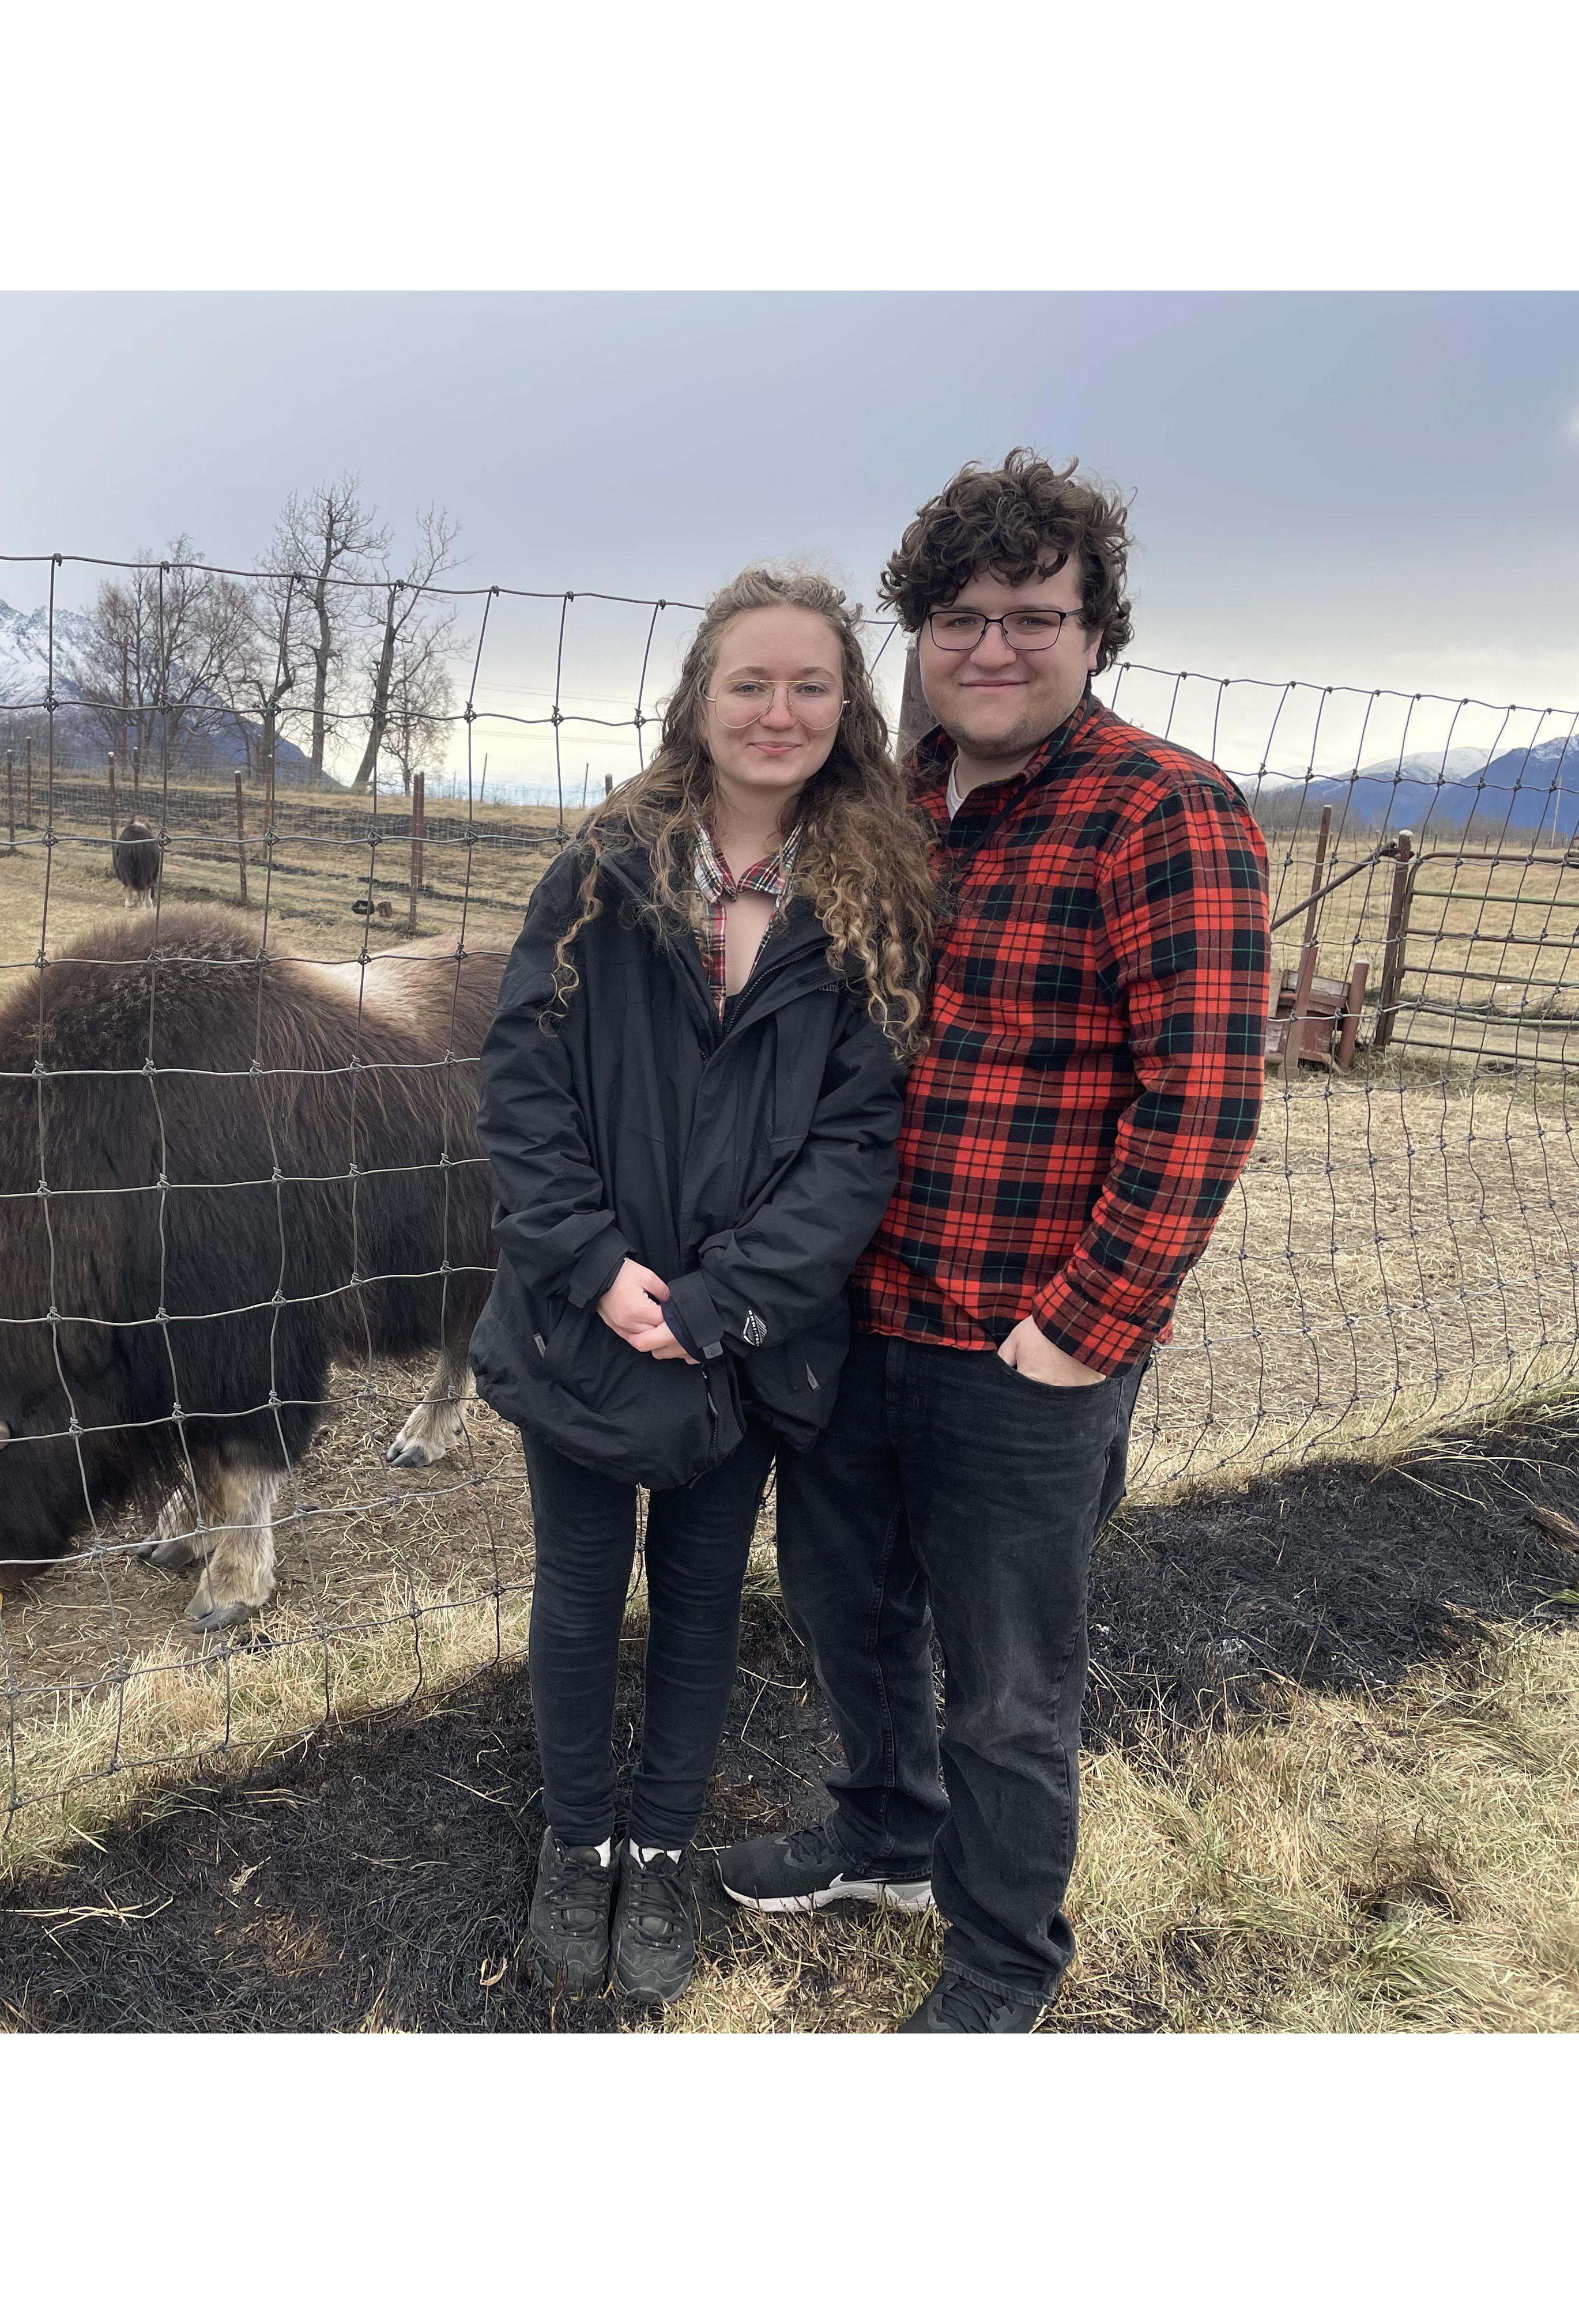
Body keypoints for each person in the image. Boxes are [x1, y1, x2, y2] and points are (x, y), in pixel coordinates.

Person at [718, 451, 1272, 2031]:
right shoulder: (890, 811)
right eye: (960, 618)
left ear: (1098, 630)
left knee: (1010, 1681)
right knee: (844, 1609)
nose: (994, 650)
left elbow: (1202, 1102)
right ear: (919, 634)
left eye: (1037, 616)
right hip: (860, 1313)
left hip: (1024, 1343)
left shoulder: (1166, 815)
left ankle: (1004, 1956)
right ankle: (885, 1836)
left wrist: (1087, 1326)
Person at [470, 565, 936, 2004]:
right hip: (585, 1323)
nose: (780, 711)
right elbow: (521, 1087)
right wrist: (605, 1272)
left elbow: (860, 1144)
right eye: (753, 682)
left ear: (847, 708)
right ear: (700, 698)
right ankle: (576, 1847)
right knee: (576, 1590)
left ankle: (661, 1851)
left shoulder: (872, 903)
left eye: (812, 685)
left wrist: (721, 1301)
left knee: (698, 1598)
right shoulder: (602, 874)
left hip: (746, 1346)